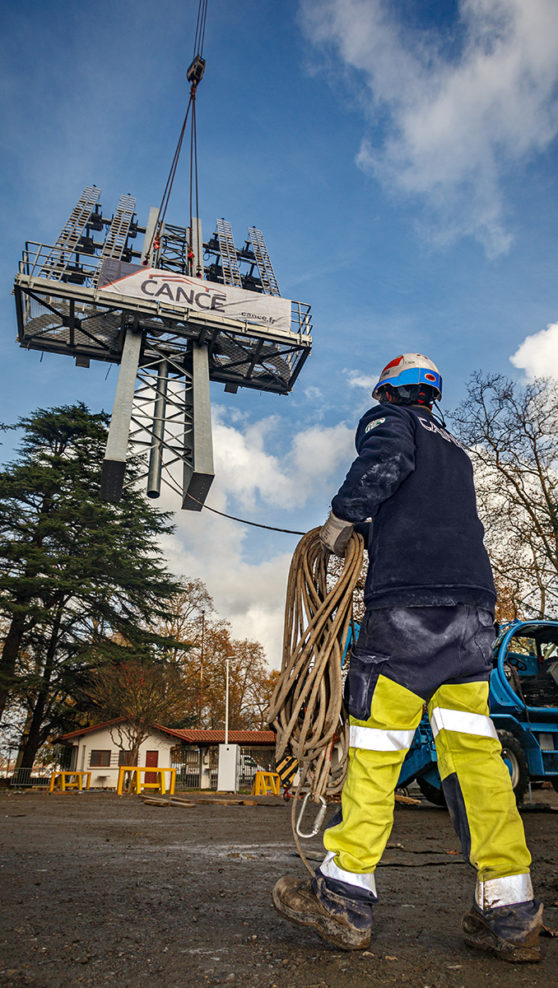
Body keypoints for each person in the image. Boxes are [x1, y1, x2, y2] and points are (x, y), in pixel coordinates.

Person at [273, 353, 543, 963]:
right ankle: (512, 912)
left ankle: (344, 897)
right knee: (476, 756)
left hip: (408, 613)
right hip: (471, 615)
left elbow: (384, 464)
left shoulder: (387, 421)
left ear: (388, 391)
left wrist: (341, 522)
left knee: (375, 750)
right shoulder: (457, 450)